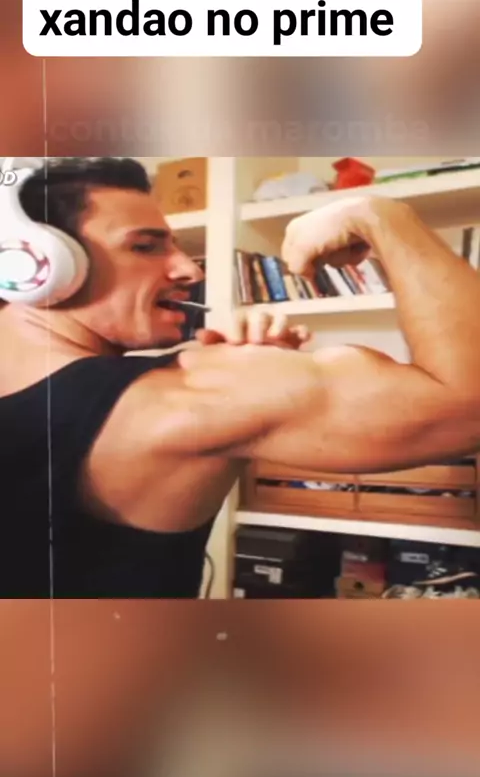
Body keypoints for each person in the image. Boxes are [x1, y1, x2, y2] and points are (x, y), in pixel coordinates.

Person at [1, 157, 479, 599]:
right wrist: (382, 216)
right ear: (32, 265)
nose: (188, 269)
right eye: (144, 246)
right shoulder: (182, 395)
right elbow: (466, 405)